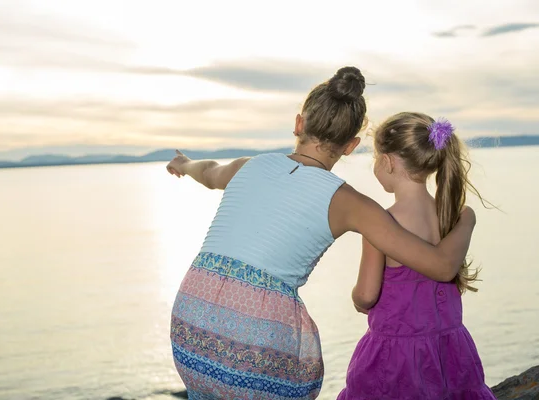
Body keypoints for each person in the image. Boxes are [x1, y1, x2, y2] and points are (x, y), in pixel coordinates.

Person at [165, 67, 477, 400]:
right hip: (255, 340)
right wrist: (466, 219)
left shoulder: (249, 165)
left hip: (190, 321)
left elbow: (209, 171)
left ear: (299, 124)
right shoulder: (354, 204)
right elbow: (442, 267)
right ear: (351, 146)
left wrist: (183, 164)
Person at [337, 112, 495, 399]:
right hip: (450, 353)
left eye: (375, 157)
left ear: (387, 161)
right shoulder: (453, 216)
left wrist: (356, 298)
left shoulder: (382, 224)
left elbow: (367, 294)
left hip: (397, 358)